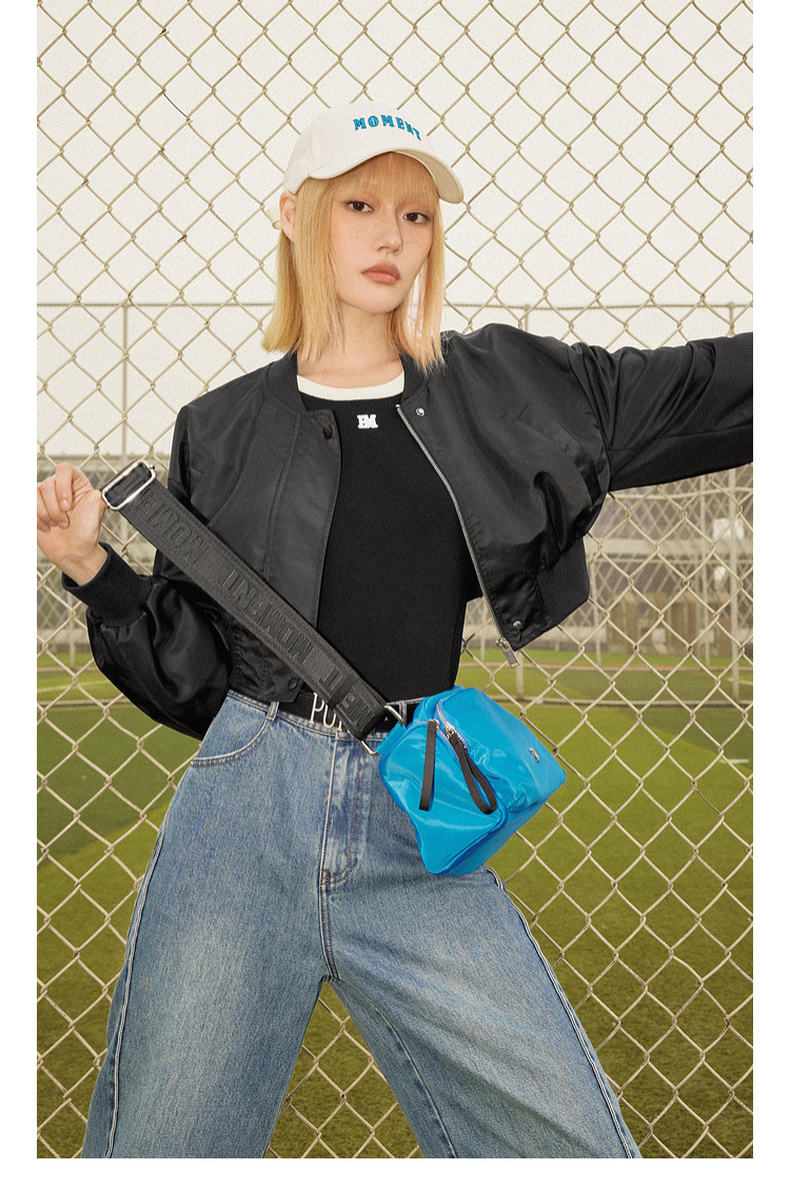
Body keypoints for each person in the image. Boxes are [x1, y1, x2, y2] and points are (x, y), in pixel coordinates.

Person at [36, 102, 752, 1159]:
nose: (392, 237)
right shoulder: (220, 428)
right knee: (164, 1150)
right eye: (360, 206)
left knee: (572, 1150)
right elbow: (197, 680)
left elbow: (703, 389)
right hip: (245, 812)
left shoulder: (504, 389)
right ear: (296, 215)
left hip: (420, 813)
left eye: (415, 216)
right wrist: (95, 571)